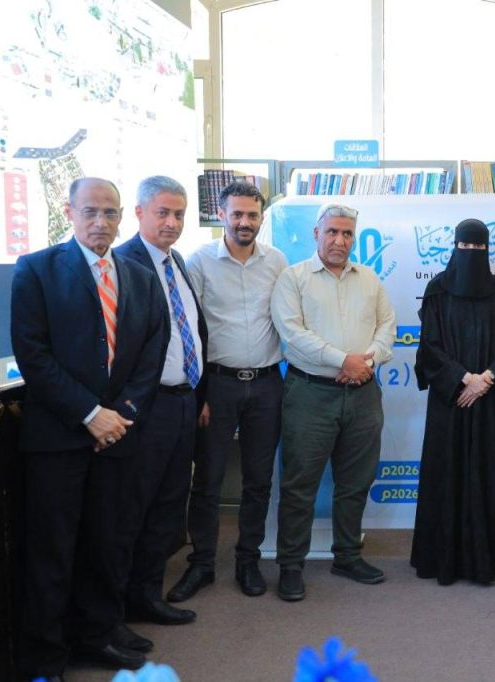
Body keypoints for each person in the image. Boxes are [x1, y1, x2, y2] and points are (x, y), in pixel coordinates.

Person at [10, 177, 167, 679]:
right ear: (69, 212)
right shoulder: (36, 269)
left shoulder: (140, 277)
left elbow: (152, 352)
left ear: (122, 216)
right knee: (53, 552)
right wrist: (89, 414)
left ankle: (96, 636)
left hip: (119, 436)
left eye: (110, 212)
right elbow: (33, 356)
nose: (101, 222)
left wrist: (121, 414)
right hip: (58, 439)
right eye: (90, 212)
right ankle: (45, 658)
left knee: (107, 545)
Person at [166, 181, 288, 603]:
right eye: (236, 214)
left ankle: (247, 560)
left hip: (268, 384)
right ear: (222, 215)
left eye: (252, 215)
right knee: (209, 480)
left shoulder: (277, 261)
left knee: (258, 481)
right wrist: (198, 393)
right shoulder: (199, 262)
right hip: (217, 385)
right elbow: (189, 330)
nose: (244, 222)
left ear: (261, 217)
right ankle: (201, 563)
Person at [271, 203, 396, 601]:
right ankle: (291, 566)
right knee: (299, 485)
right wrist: (343, 360)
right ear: (316, 234)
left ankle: (347, 556)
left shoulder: (369, 278)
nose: (339, 241)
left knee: (355, 482)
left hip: (363, 394)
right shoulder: (293, 278)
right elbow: (292, 333)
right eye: (332, 232)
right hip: (311, 393)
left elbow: (387, 327)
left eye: (346, 234)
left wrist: (366, 363)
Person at [115, 176, 207, 632]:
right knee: (132, 509)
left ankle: (147, 596)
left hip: (183, 403)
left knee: (169, 506)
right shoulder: (121, 263)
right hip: (144, 408)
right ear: (139, 213)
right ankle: (114, 610)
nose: (172, 222)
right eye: (163, 213)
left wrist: (198, 396)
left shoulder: (177, 261)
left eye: (179, 214)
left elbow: (192, 330)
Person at [411, 218, 495, 585]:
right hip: (451, 401)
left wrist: (486, 378)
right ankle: (443, 554)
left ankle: (489, 551)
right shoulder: (437, 290)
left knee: (491, 471)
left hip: (489, 401)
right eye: (466, 246)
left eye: (479, 247)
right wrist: (463, 378)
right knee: (447, 470)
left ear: (487, 250)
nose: (472, 253)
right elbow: (430, 345)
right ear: (455, 247)